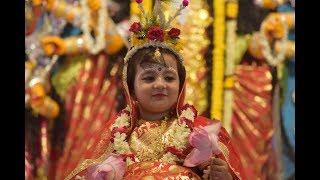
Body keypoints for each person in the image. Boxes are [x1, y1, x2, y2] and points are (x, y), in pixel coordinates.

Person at [65, 0, 246, 179]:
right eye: (149, 78)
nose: (160, 84)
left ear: (181, 86)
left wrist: (222, 176)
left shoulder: (200, 132)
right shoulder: (116, 134)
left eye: (169, 78)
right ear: (132, 89)